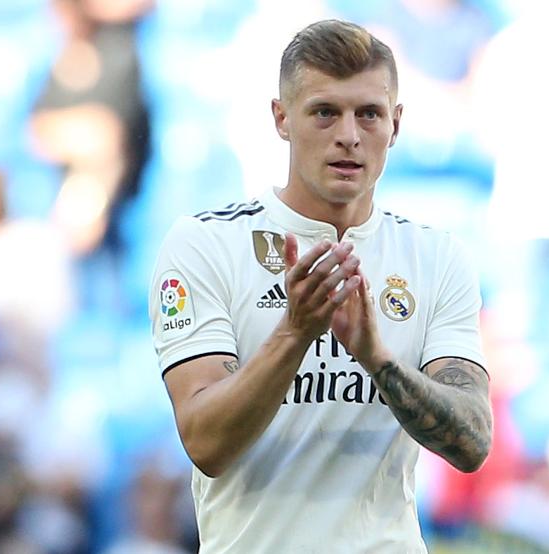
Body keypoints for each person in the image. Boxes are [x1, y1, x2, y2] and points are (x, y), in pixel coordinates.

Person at [149, 19, 492, 553]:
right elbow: (205, 442)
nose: (350, 135)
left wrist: (377, 359)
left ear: (396, 124)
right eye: (326, 112)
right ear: (282, 119)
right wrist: (294, 333)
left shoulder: (434, 256)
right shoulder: (207, 243)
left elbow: (472, 441)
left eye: (369, 114)